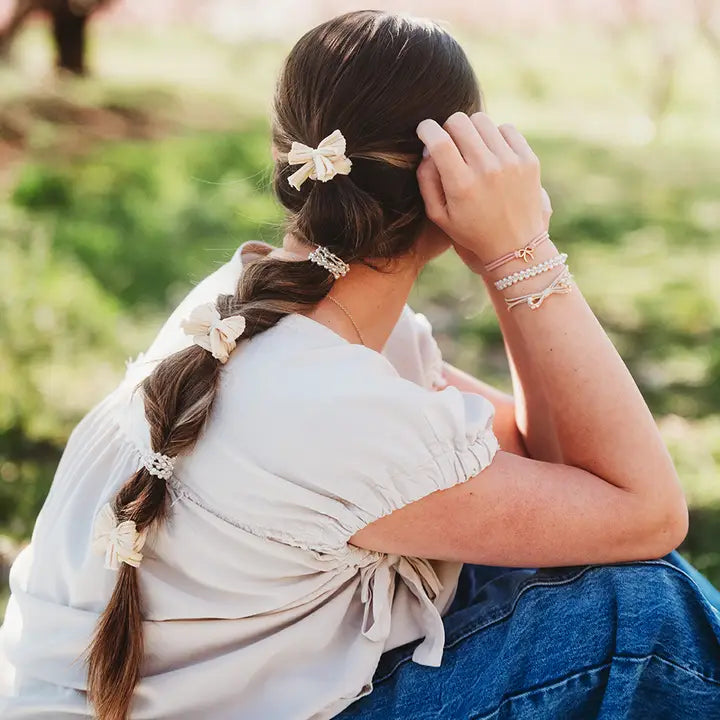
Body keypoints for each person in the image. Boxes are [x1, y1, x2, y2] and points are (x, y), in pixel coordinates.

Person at [1, 9, 719, 720]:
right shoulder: (330, 405)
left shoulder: (246, 307)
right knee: (644, 608)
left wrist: (513, 268)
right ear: (448, 175)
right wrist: (521, 253)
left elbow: (556, 473)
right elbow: (646, 512)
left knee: (580, 564)